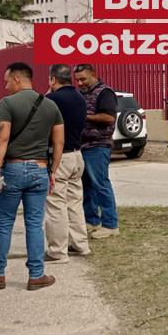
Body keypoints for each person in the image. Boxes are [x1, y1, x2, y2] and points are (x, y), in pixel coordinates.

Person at [0, 62, 64, 290]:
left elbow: (1, 138)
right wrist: (53, 171)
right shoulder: (51, 106)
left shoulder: (7, 103)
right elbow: (58, 141)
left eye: (7, 81)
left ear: (17, 80)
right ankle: (36, 275)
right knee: (34, 224)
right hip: (40, 171)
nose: (6, 86)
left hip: (13, 169)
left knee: (3, 223)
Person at [44, 64, 91, 263]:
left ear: (53, 80)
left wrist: (48, 93)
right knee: (74, 202)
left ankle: (57, 251)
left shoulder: (52, 100)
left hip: (59, 156)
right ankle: (80, 244)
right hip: (77, 155)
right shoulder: (80, 98)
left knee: (56, 204)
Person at [74, 64, 119, 239]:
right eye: (77, 80)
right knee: (87, 186)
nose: (80, 83)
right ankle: (91, 220)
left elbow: (108, 117)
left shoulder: (105, 93)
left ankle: (110, 224)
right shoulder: (81, 94)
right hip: (83, 146)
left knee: (100, 184)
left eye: (83, 79)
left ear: (93, 75)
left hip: (98, 145)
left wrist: (83, 116)